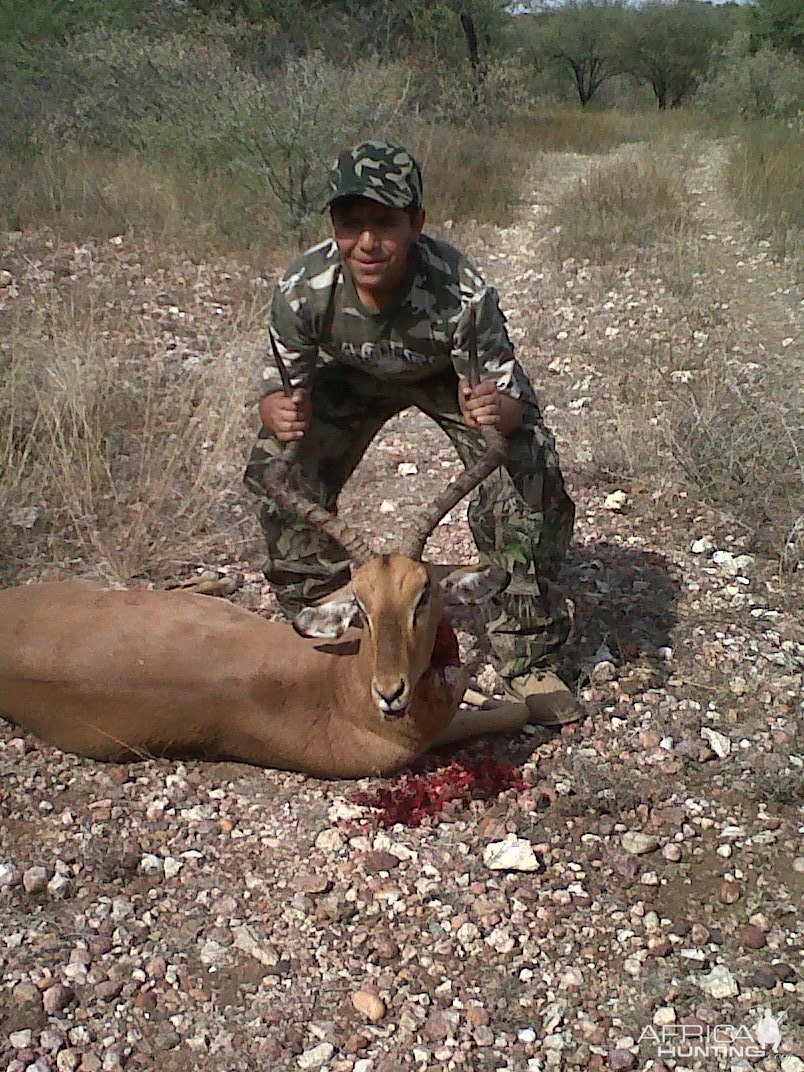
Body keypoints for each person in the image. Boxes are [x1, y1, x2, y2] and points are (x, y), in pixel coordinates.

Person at [244, 140, 579, 725]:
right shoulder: (303, 286)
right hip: (348, 380)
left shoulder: (460, 289)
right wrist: (276, 409)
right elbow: (281, 388)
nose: (368, 242)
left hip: (442, 379)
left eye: (386, 223)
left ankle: (527, 653)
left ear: (416, 224)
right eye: (352, 224)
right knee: (274, 470)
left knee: (528, 471)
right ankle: (327, 631)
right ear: (333, 225)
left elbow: (510, 408)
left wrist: (496, 413)